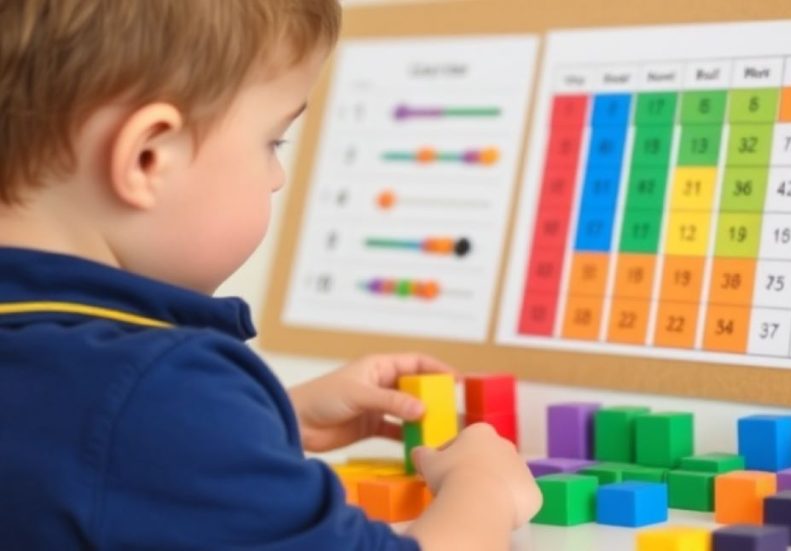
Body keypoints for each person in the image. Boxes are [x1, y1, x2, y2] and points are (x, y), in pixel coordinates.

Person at [0, 1, 541, 549]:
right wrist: (483, 488)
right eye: (272, 142)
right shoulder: (161, 396)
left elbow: (69, 445)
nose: (279, 178)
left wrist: (266, 419)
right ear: (147, 158)